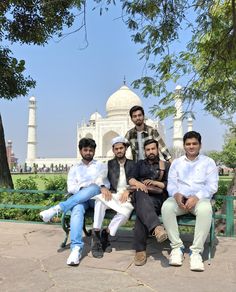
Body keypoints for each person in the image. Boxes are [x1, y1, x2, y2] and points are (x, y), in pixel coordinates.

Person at [40, 138, 109, 266]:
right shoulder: (74, 169)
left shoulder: (100, 165)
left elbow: (106, 184)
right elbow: (71, 187)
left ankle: (58, 208)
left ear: (94, 151)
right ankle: (76, 249)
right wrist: (82, 189)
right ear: (80, 151)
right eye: (85, 150)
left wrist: (92, 188)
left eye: (91, 150)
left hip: (96, 200)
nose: (88, 152)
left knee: (94, 187)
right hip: (80, 199)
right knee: (77, 210)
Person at [161, 131, 219, 272]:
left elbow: (212, 186)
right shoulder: (177, 163)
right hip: (180, 200)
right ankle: (176, 247)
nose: (191, 147)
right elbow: (172, 184)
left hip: (200, 200)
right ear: (184, 145)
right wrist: (176, 195)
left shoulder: (208, 162)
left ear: (200, 145)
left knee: (206, 210)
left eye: (194, 144)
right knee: (167, 207)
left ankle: (196, 252)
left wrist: (197, 197)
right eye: (188, 144)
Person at [91, 136, 135, 258]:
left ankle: (107, 233)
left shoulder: (133, 164)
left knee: (126, 212)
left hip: (127, 197)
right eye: (116, 149)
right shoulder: (109, 164)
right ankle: (97, 237)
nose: (119, 151)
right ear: (113, 150)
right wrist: (103, 187)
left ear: (125, 148)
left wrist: (129, 190)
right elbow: (99, 177)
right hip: (114, 194)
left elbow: (138, 180)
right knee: (100, 201)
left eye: (121, 148)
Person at [127, 138, 170, 266]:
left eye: (153, 149)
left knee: (142, 212)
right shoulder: (139, 164)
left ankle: (140, 250)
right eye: (148, 149)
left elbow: (171, 185)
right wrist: (139, 184)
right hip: (140, 195)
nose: (151, 151)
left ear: (157, 150)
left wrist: (157, 183)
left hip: (157, 198)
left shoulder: (165, 166)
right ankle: (156, 227)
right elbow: (130, 179)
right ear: (145, 152)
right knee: (140, 193)